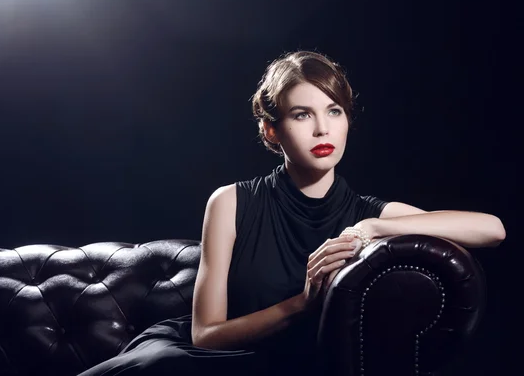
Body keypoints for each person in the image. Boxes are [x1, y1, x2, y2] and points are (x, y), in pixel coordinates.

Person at [79, 50, 505, 376]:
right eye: (303, 115)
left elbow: (492, 229)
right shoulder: (230, 202)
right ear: (271, 129)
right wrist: (302, 303)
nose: (323, 129)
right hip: (201, 357)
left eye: (334, 111)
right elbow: (205, 335)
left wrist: (375, 227)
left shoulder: (367, 214)